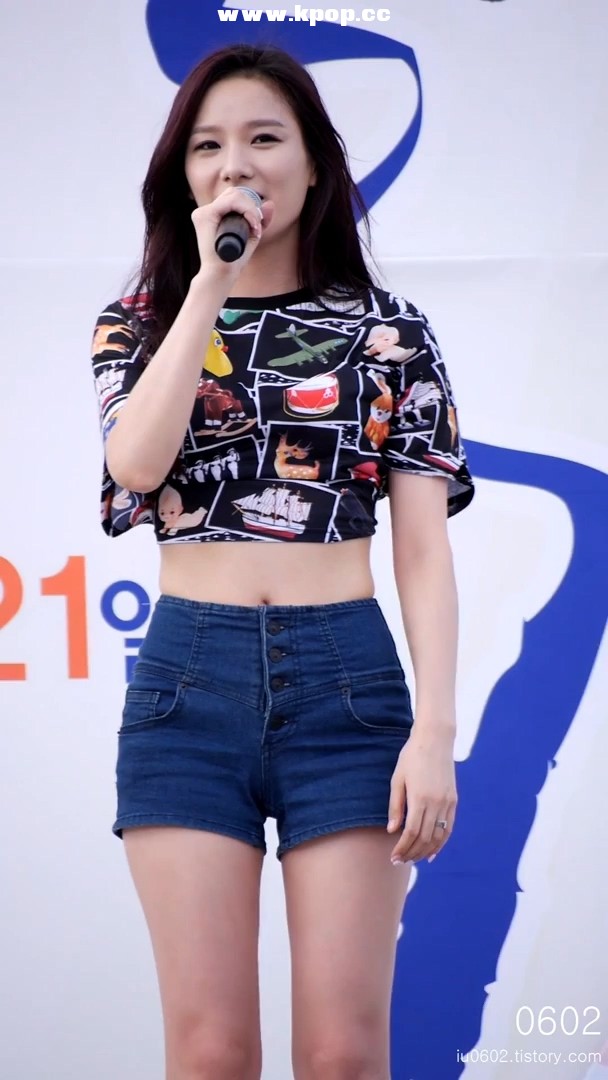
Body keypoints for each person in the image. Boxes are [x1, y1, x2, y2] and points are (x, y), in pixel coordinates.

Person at [90, 42, 475, 1080]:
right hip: (188, 685)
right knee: (211, 1051)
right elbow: (136, 464)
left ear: (313, 165)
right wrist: (208, 286)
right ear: (183, 176)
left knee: (342, 1052)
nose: (235, 165)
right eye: (208, 146)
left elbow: (423, 550)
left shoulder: (390, 333)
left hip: (344, 685)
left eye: (264, 138)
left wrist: (435, 730)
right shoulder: (137, 326)